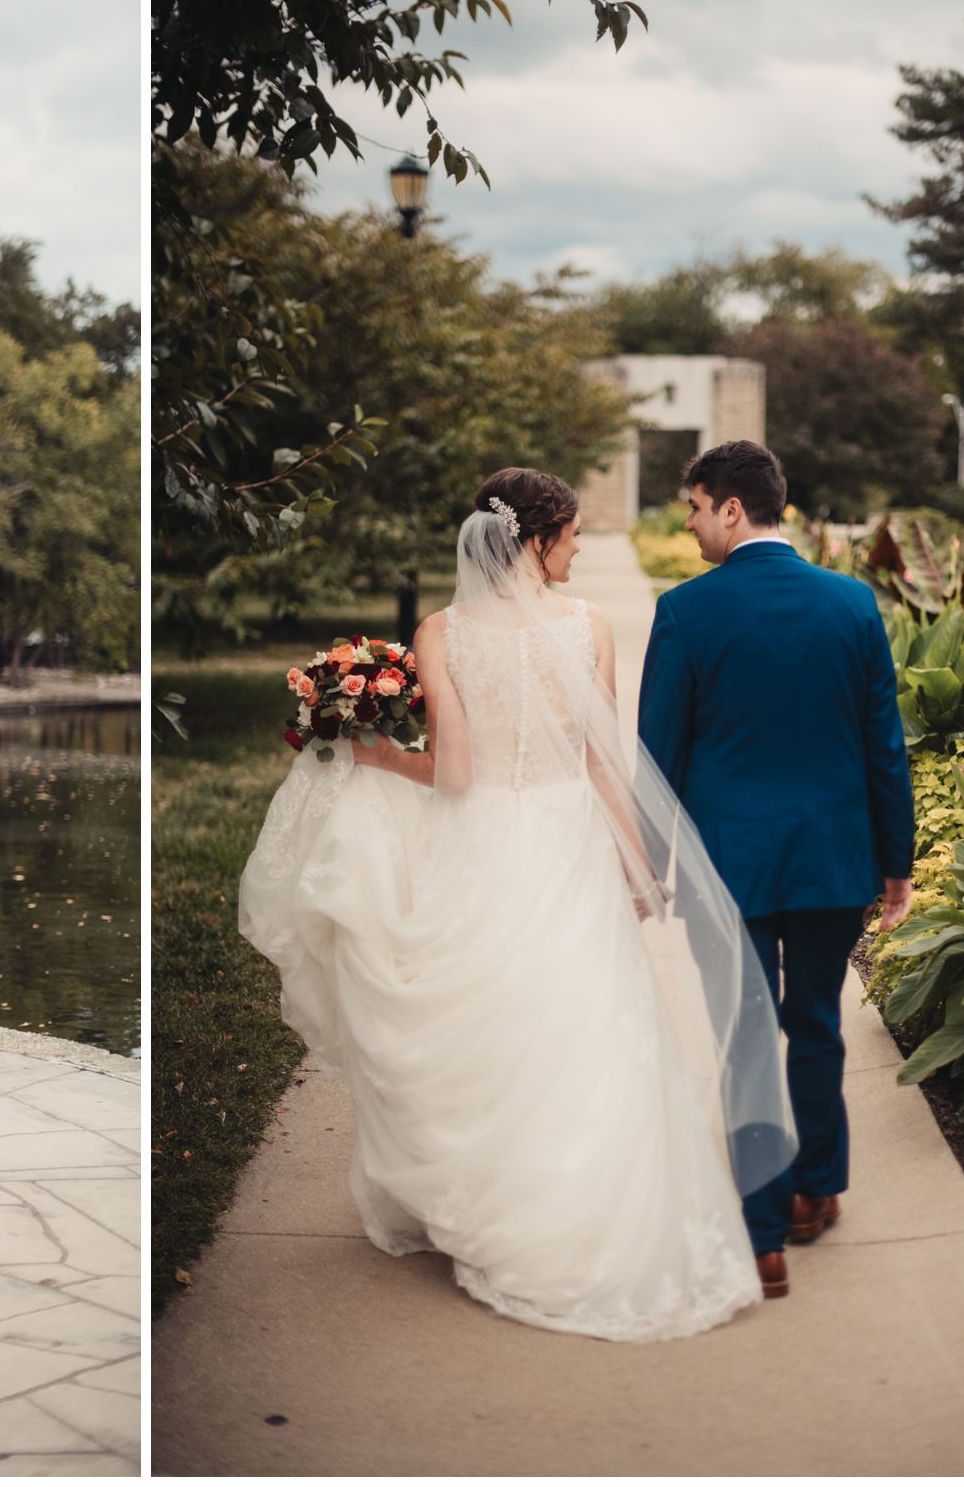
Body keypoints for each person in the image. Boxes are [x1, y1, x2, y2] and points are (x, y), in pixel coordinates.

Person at [240, 468, 796, 1342]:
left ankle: (492, 1196)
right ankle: (579, 1201)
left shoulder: (441, 632)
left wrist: (383, 759)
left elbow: (455, 773)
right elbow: (604, 763)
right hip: (569, 841)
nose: (577, 551)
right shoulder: (588, 627)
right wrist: (639, 866)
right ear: (534, 540)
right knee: (579, 1022)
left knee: (488, 1022)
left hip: (482, 843)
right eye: (569, 536)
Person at [639, 441, 914, 1299]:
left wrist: (649, 863)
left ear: (731, 508)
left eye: (694, 508)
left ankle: (763, 1239)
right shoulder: (852, 602)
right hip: (833, 858)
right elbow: (884, 746)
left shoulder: (685, 611)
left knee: (746, 1037)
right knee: (818, 1025)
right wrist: (895, 863)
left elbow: (656, 759)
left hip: (727, 868)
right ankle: (815, 1189)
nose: (689, 526)